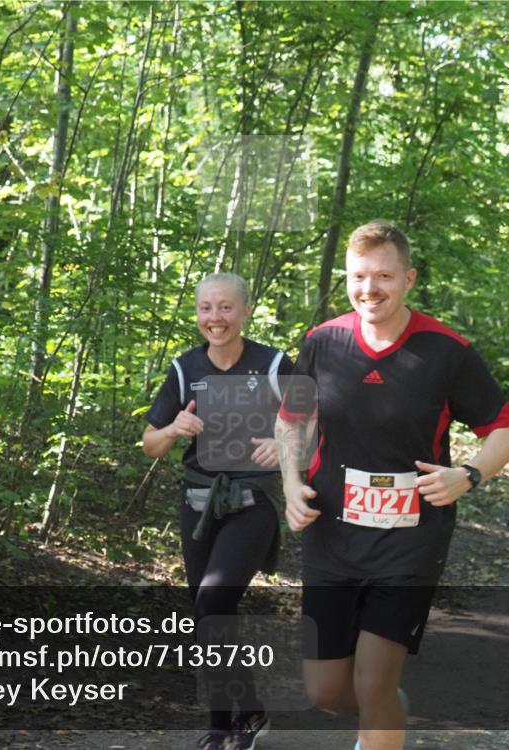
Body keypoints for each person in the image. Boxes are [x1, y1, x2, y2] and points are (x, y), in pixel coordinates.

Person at [275, 220, 509, 750]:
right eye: (360, 276)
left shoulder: (446, 350)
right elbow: (291, 419)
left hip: (410, 538)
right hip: (332, 533)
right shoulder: (323, 342)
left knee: (373, 680)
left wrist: (469, 474)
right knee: (325, 691)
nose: (370, 289)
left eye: (384, 276)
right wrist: (292, 484)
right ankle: (389, 714)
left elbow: (508, 429)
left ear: (408, 278)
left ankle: (382, 715)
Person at [143, 272, 292, 750]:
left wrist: (282, 443)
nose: (216, 318)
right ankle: (241, 715)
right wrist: (173, 429)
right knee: (209, 615)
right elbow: (151, 444)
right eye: (207, 308)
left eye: (225, 308)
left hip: (253, 500)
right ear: (197, 314)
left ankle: (221, 728)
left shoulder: (272, 365)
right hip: (199, 502)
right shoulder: (185, 368)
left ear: (245, 312)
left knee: (212, 601)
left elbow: (311, 428)